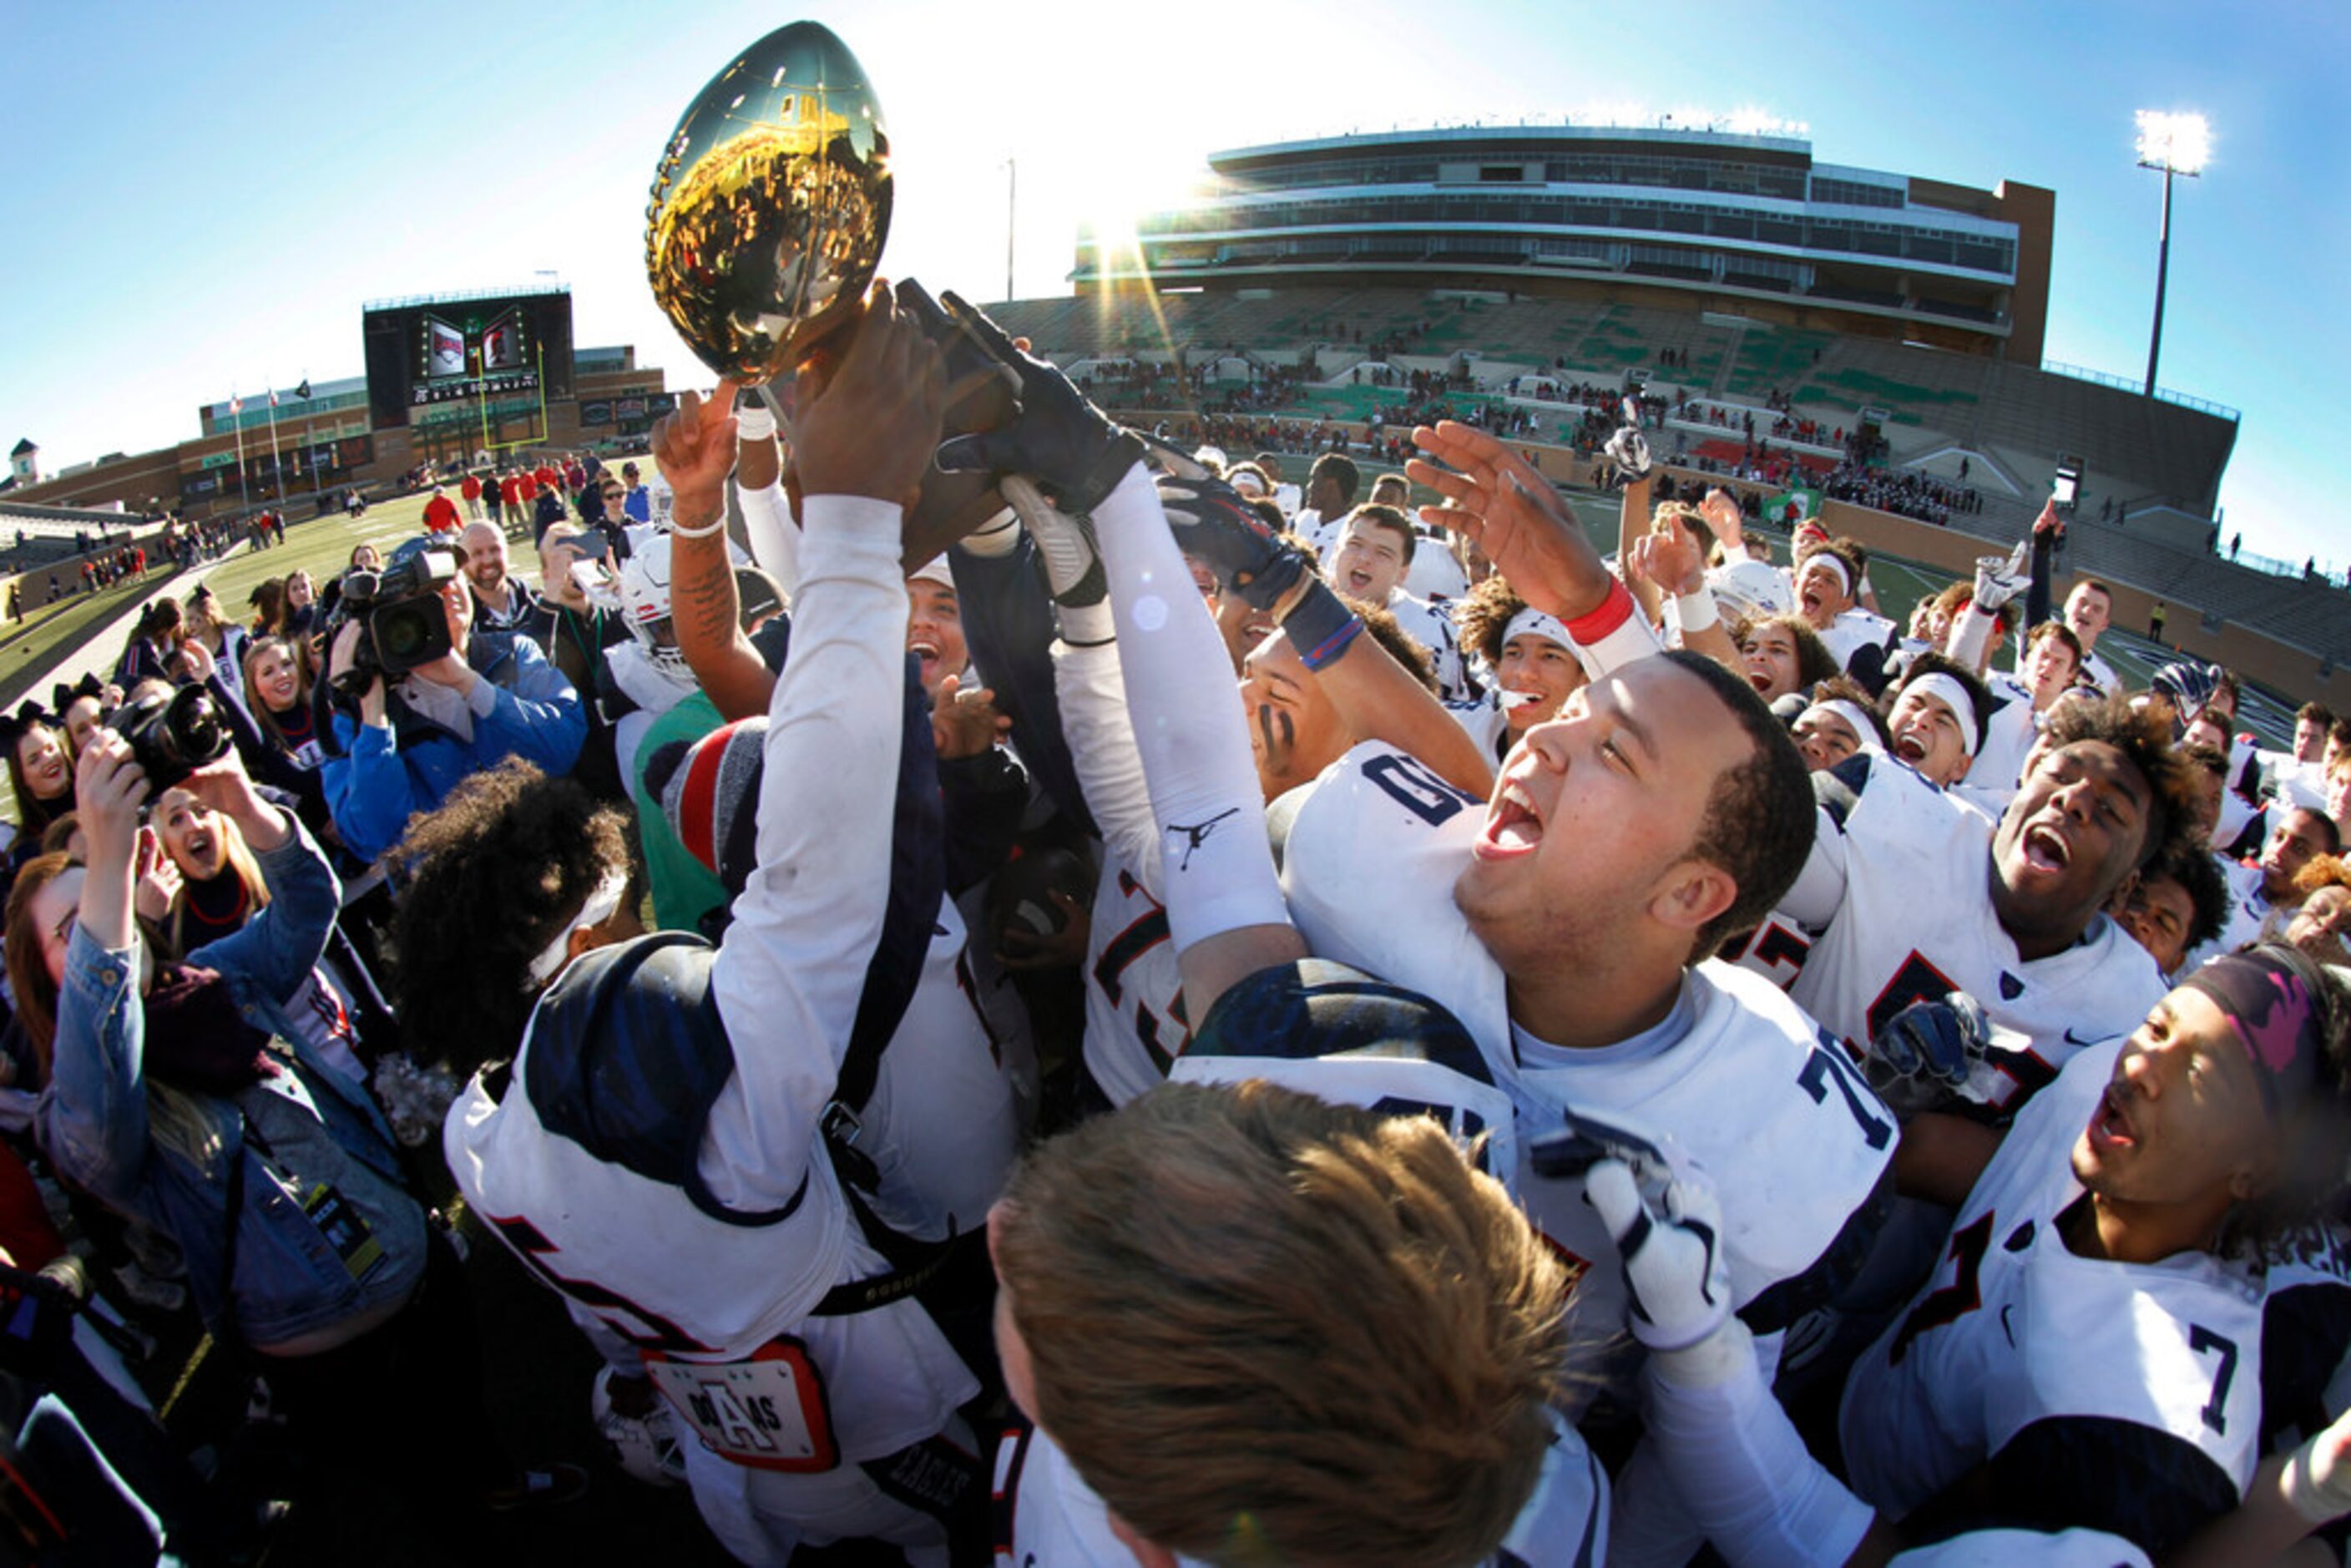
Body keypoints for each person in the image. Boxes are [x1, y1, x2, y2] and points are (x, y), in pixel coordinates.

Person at [402, 293, 998, 1563]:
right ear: (564, 945)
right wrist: (846, 529)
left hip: (724, 1439)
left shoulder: (478, 1129)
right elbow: (831, 874)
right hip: (880, 1393)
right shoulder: (686, 1054)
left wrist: (707, 508)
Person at [1594, 944, 2351, 1564]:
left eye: (2200, 1075)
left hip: (1876, 1516)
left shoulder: (2145, 1420)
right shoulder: (2099, 1087)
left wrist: (1706, 1354)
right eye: (2157, 1028)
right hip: (1848, 1406)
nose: (2141, 1067)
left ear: (2256, 1171)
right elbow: (1983, 1169)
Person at [10, 736, 581, 1531]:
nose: (101, 927)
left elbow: (308, 909)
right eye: (75, 929)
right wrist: (105, 871)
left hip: (411, 1264)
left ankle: (498, 1480)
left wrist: (246, 804)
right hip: (323, 1354)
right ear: (46, 983)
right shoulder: (81, 1109)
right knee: (416, 1482)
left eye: (99, 904)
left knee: (463, 1411)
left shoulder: (214, 979)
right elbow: (98, 1107)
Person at [317, 549, 586, 862]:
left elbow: (563, 747)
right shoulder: (362, 709)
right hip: (450, 893)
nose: (448, 589)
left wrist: (469, 684)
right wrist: (373, 711)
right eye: (429, 590)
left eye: (453, 576)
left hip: (545, 860)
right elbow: (372, 837)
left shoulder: (512, 652)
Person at [459, 520, 537, 635]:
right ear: (463, 562)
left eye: (495, 549)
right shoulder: (461, 622)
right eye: (477, 553)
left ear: (507, 551)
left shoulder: (537, 604)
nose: (488, 560)